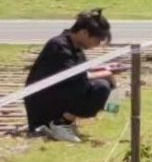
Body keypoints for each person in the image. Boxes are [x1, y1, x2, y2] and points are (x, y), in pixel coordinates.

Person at [24, 9, 115, 142]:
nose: (98, 44)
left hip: (56, 96)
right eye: (98, 40)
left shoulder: (74, 46)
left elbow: (80, 72)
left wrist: (105, 71)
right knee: (100, 87)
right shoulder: (59, 46)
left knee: (100, 85)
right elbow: (75, 76)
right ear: (84, 33)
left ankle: (63, 122)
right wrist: (107, 74)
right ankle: (58, 124)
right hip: (42, 103)